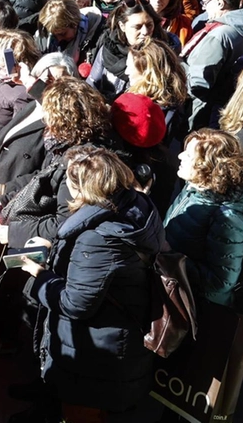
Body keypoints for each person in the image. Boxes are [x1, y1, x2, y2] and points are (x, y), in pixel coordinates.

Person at [14, 144, 162, 423]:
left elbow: (76, 303)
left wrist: (39, 274)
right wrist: (55, 248)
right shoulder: (136, 206)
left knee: (83, 414)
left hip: (98, 354)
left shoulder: (97, 238)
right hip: (121, 340)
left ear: (82, 190)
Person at [164, 128, 243, 306]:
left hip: (193, 306)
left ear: (207, 167)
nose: (180, 156)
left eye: (189, 155)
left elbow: (219, 284)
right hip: (174, 284)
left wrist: (170, 259)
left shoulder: (227, 220)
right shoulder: (196, 187)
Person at [184, 0, 243, 128]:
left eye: (205, 3)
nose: (204, 8)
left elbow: (198, 84)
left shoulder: (220, 35)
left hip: (200, 114)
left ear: (219, 2)